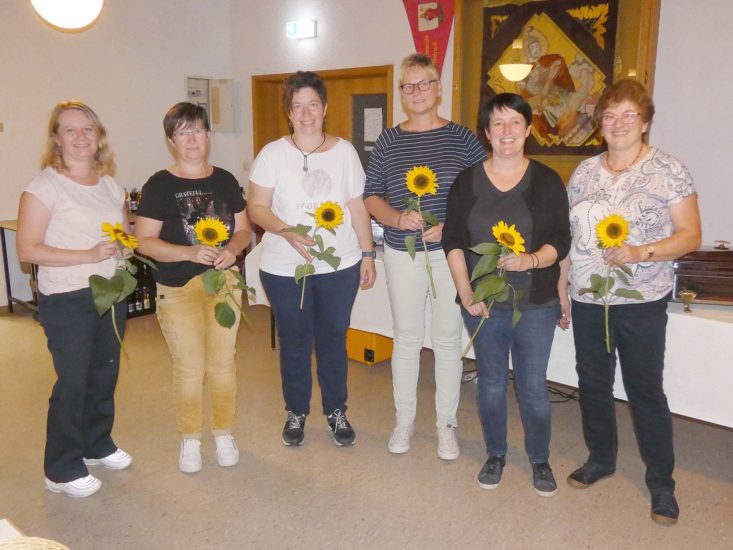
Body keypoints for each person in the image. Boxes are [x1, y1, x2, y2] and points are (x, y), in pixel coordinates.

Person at [558, 79, 701, 524]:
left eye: (628, 115)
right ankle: (601, 458)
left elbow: (690, 235)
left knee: (644, 392)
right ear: (599, 123)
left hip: (641, 300)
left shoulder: (669, 170)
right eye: (609, 115)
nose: (618, 123)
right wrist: (562, 287)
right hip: (587, 298)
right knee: (592, 384)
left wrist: (641, 251)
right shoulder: (584, 173)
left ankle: (661, 483)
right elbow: (569, 238)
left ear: (645, 123)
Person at [443, 93, 570, 495]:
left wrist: (531, 260)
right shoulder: (467, 180)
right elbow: (453, 240)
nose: (507, 131)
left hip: (536, 302)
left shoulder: (547, 180)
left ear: (528, 129)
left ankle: (539, 459)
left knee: (532, 386)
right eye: (498, 123)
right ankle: (495, 454)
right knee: (492, 382)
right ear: (487, 132)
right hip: (483, 304)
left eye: (515, 122)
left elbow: (561, 240)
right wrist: (466, 292)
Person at [364, 53, 486, 459]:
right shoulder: (388, 140)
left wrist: (451, 225)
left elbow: (482, 194)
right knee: (407, 338)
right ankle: (404, 420)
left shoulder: (462, 138)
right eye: (408, 86)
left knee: (448, 340)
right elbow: (371, 196)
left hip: (451, 255)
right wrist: (397, 218)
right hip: (404, 254)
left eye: (424, 84)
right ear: (402, 93)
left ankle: (445, 424)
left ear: (438, 88)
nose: (416, 92)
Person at [248, 71, 376, 447]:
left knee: (333, 339)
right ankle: (296, 412)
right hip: (284, 268)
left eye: (313, 105)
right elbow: (257, 208)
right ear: (288, 112)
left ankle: (336, 411)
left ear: (325, 108)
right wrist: (286, 230)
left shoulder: (345, 153)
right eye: (298, 106)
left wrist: (368, 253)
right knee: (295, 341)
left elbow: (357, 207)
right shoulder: (272, 154)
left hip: (339, 266)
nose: (306, 114)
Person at [17, 101, 132, 497]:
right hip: (67, 298)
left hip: (110, 292)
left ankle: (96, 444)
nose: (81, 137)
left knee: (104, 374)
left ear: (99, 136)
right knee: (74, 381)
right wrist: (88, 254)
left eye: (88, 129)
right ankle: (61, 468)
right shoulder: (43, 188)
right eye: (71, 130)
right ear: (57, 139)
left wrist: (124, 247)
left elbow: (122, 234)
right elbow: (28, 250)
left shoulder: (110, 185)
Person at [134, 102, 251, 473]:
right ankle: (190, 440)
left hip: (224, 284)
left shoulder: (225, 180)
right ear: (171, 141)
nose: (192, 139)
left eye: (198, 130)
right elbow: (144, 241)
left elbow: (244, 229)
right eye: (182, 132)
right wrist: (188, 251)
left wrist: (233, 249)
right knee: (189, 367)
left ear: (208, 136)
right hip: (176, 287)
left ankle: (224, 433)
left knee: (223, 364)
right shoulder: (159, 185)